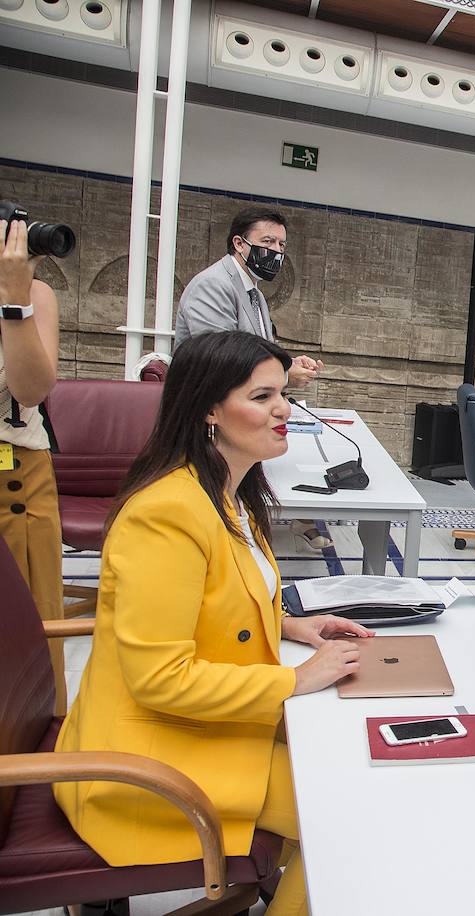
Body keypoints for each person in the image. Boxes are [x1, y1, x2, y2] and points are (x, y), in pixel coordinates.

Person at [54, 330, 372, 916]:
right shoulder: (166, 515)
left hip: (194, 731)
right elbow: (161, 679)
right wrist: (296, 680)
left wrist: (286, 625)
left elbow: (219, 593)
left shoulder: (229, 494)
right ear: (207, 410)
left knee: (353, 765)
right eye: (261, 397)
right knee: (347, 815)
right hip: (145, 760)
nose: (284, 410)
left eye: (283, 393)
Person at [175, 207, 331, 549]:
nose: (275, 251)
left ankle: (261, 524)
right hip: (211, 413)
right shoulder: (213, 285)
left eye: (281, 245)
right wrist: (285, 376)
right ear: (239, 243)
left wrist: (288, 363)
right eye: (267, 241)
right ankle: (222, 537)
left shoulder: (254, 293)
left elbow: (259, 347)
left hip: (243, 406)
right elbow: (220, 357)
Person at [0, 218, 65, 712]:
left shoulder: (36, 295)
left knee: (36, 618)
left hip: (19, 472)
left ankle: (37, 745)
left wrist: (15, 299)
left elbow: (31, 389)